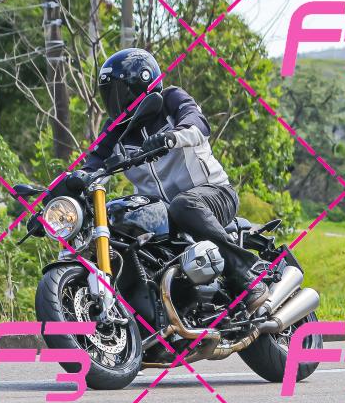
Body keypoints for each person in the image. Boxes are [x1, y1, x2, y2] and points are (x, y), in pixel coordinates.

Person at [81, 48, 268, 312]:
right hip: (164, 213)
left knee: (183, 204)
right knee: (120, 224)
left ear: (142, 84)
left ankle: (245, 274)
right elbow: (92, 161)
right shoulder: (115, 129)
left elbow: (197, 123)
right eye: (109, 94)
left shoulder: (171, 99)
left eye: (121, 92)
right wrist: (62, 190)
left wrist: (172, 137)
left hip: (213, 194)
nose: (116, 101)